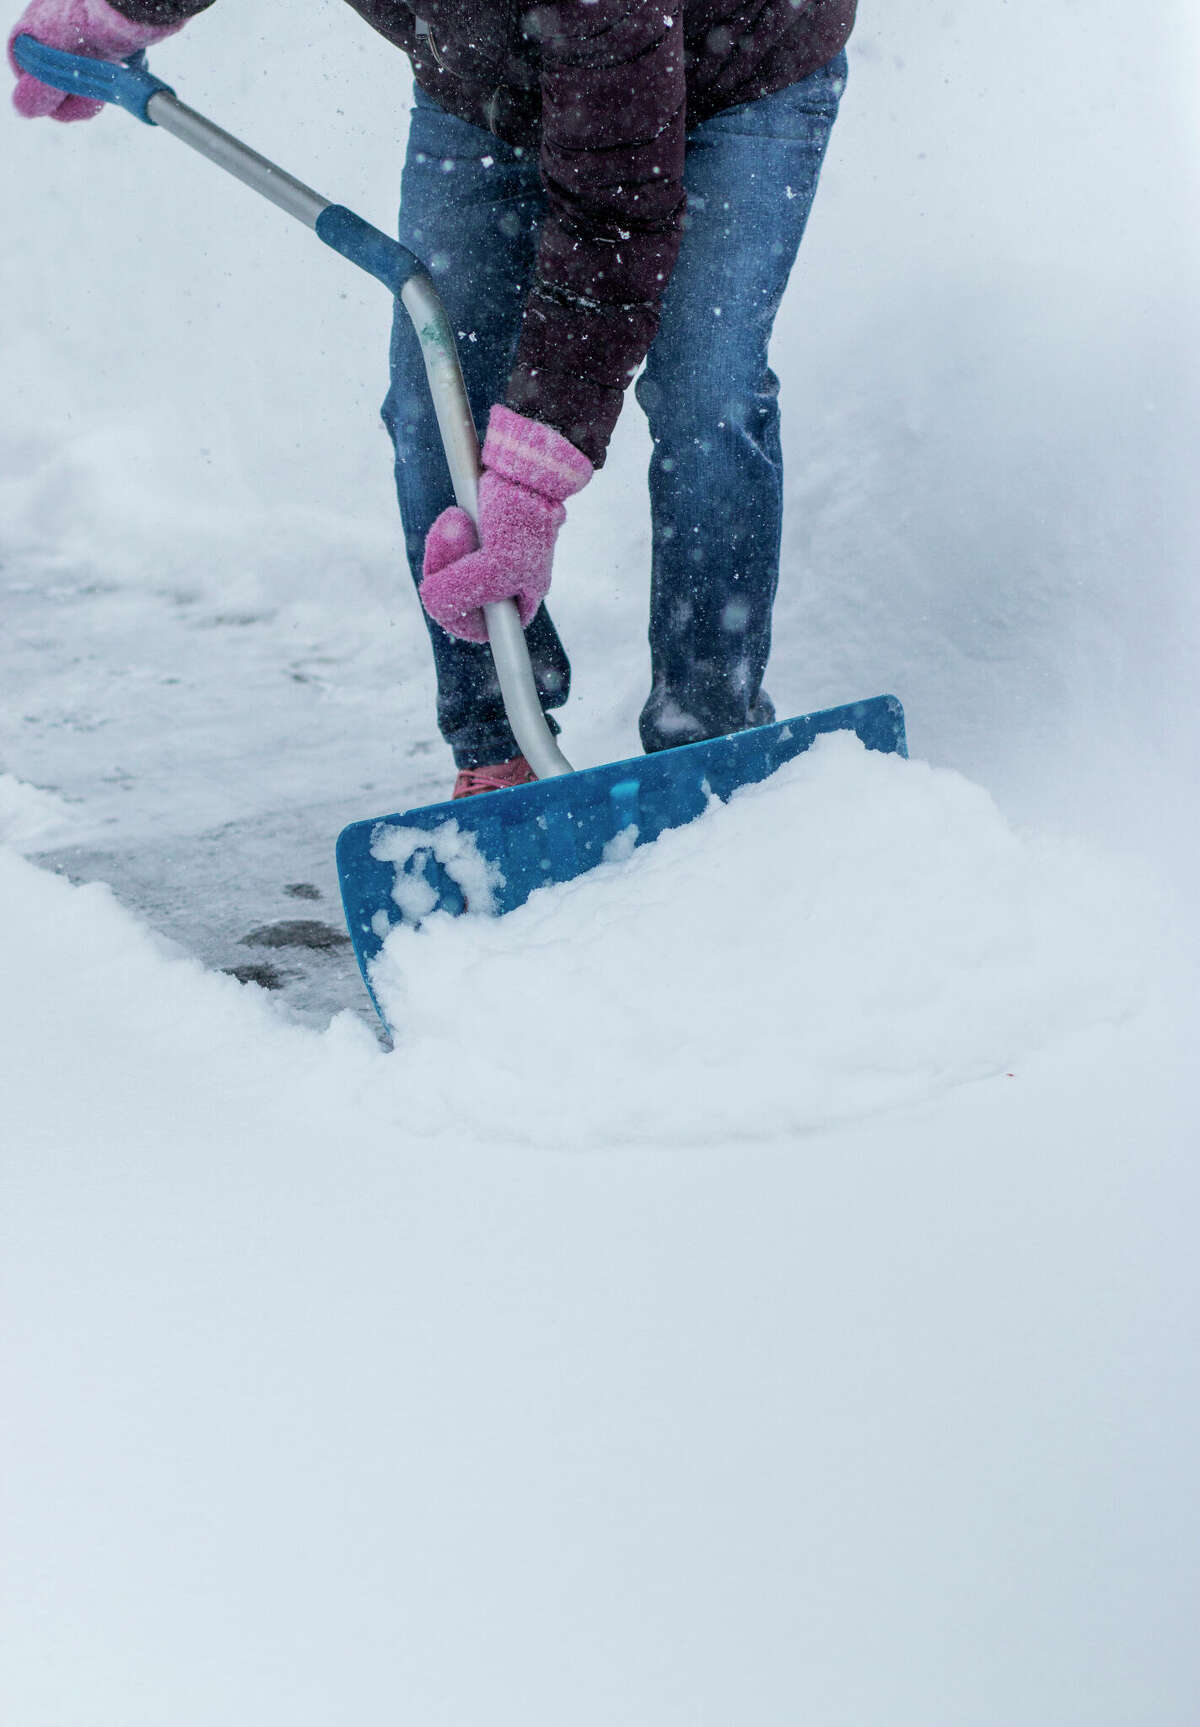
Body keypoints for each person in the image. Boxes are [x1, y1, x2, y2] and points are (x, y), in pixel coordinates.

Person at [9, 0, 855, 798]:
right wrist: (119, 11)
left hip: (738, 71)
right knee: (433, 403)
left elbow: (615, 216)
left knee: (706, 393)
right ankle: (499, 744)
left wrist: (531, 482)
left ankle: (709, 740)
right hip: (486, 83)